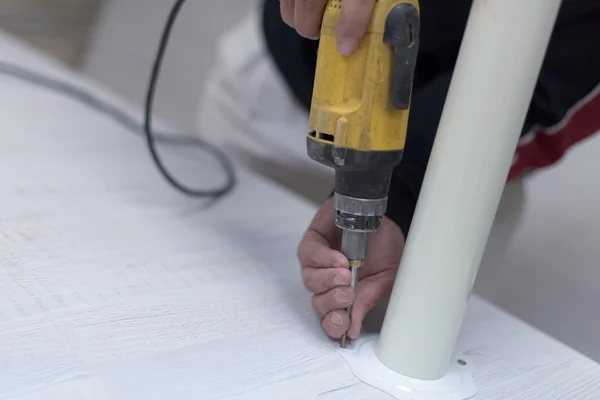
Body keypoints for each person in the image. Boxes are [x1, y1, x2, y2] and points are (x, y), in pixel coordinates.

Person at [200, 0, 600, 341]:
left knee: (410, 347)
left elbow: (538, 88)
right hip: (276, 96)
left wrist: (402, 197)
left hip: (457, 177)